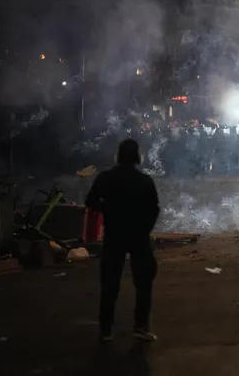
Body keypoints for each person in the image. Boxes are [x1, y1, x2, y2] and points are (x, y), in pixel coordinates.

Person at [86, 139, 160, 343]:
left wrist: (107, 210)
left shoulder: (105, 178)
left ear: (118, 155)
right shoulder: (144, 180)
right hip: (138, 236)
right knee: (144, 283)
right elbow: (154, 209)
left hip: (114, 235)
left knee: (110, 283)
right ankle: (140, 326)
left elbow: (90, 201)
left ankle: (106, 329)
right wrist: (145, 228)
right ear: (137, 155)